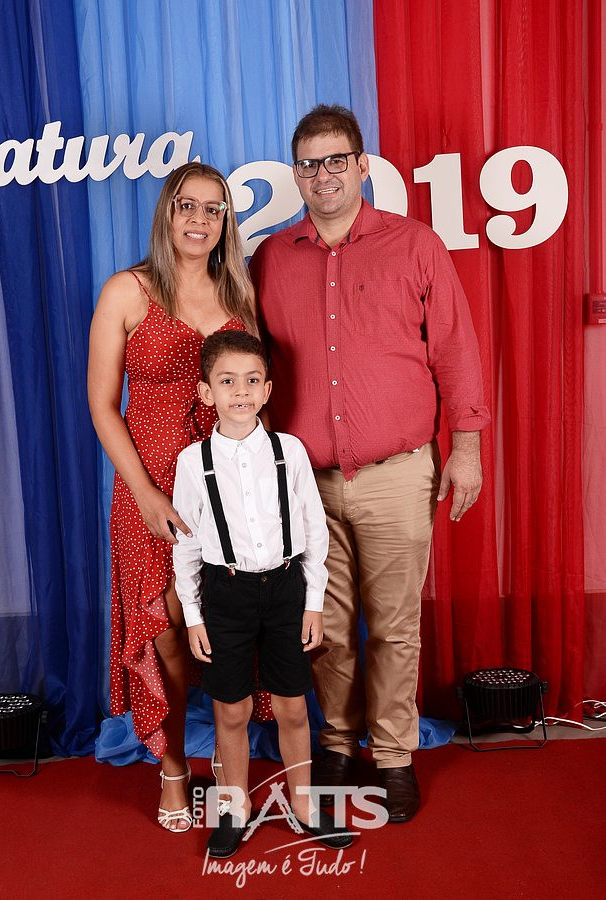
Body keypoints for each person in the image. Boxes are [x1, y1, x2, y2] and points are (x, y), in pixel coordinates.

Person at [249, 104, 490, 823]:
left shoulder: (415, 245)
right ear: (296, 174)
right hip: (304, 482)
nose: (322, 175)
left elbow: (455, 348)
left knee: (393, 628)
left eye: (335, 161)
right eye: (308, 164)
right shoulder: (270, 257)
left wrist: (466, 450)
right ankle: (336, 742)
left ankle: (392, 755)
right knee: (323, 624)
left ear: (360, 166)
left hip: (398, 473)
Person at [87, 162, 259, 833]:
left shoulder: (239, 294)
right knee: (164, 632)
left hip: (224, 484)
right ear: (167, 212)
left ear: (225, 222)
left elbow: (255, 394)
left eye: (213, 209)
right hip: (150, 487)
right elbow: (103, 406)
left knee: (222, 625)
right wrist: (146, 494)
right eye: (187, 205)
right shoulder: (127, 291)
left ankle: (228, 762)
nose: (199, 219)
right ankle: (173, 767)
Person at [173, 330, 353, 858]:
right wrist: (193, 614)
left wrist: (313, 602)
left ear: (268, 389)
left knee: (293, 707)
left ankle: (304, 805)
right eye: (227, 382)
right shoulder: (193, 462)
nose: (241, 392)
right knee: (232, 710)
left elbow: (314, 529)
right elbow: (186, 543)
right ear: (206, 392)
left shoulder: (288, 451)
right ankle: (235, 807)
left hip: (285, 590)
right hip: (225, 594)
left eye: (252, 381)